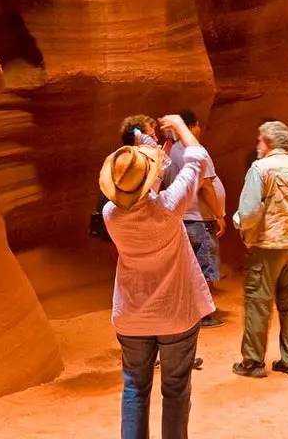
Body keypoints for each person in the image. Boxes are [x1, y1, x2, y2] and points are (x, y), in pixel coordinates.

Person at [101, 114, 214, 439]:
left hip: (132, 317)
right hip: (175, 314)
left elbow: (138, 189)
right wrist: (179, 127)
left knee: (134, 388)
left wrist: (152, 157)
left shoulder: (112, 214)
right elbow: (197, 159)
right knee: (176, 390)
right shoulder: (167, 208)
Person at [233, 120, 288, 378]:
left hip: (267, 245)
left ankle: (253, 362)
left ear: (267, 143)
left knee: (259, 301)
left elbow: (249, 212)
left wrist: (240, 225)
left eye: (259, 140)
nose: (257, 145)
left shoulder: (260, 168)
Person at [169, 109, 228, 328]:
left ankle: (195, 311)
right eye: (198, 126)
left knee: (192, 266)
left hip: (187, 217)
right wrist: (219, 214)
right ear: (192, 126)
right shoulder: (192, 150)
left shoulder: (172, 149)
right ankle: (203, 314)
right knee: (205, 266)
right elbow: (206, 185)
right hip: (199, 217)